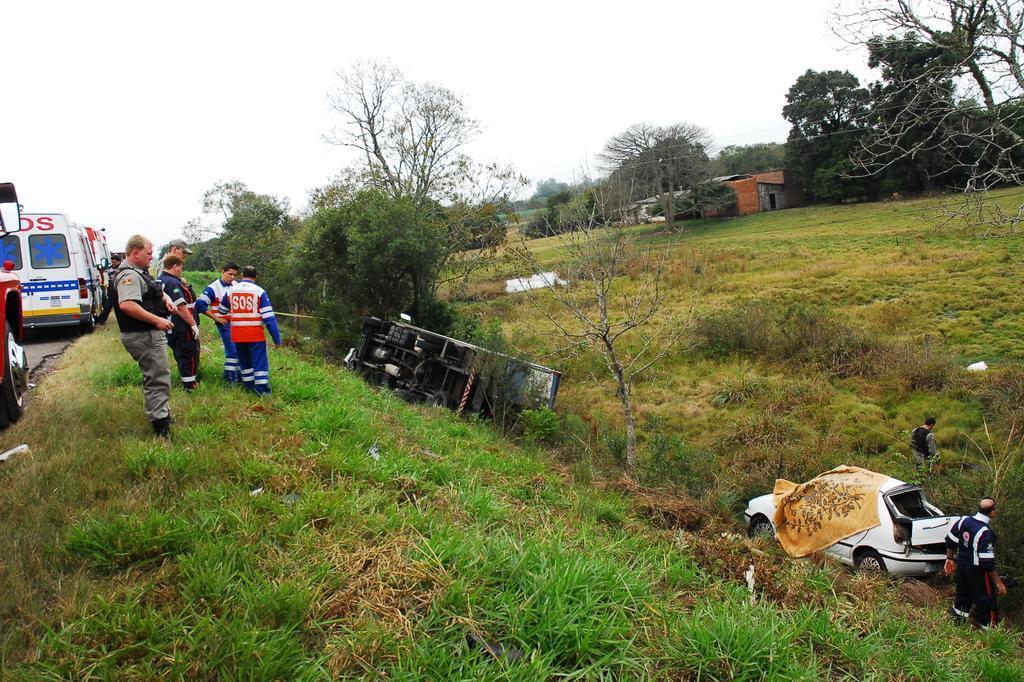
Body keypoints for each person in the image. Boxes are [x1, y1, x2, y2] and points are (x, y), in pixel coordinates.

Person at [113, 235, 174, 437]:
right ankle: (160, 425)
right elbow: (127, 304)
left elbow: (151, 288)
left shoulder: (139, 273)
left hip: (147, 333)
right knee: (157, 377)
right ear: (135, 252)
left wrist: (164, 298)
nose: (151, 257)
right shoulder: (128, 276)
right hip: (143, 334)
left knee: (159, 374)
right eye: (149, 253)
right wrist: (157, 321)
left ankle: (162, 414)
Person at [218, 265, 281, 395]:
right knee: (259, 363)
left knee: (245, 363)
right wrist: (276, 338)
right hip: (255, 335)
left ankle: (248, 388)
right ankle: (262, 392)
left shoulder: (231, 291)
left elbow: (222, 310)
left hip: (237, 334)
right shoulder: (259, 291)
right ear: (255, 277)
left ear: (242, 276)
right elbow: (269, 318)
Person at [946, 497, 1006, 629]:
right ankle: (989, 629)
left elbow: (950, 540)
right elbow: (987, 562)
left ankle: (957, 624)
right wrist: (998, 582)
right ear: (992, 513)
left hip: (961, 566)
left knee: (962, 594)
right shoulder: (986, 533)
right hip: (977, 571)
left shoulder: (963, 520)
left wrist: (949, 558)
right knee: (987, 599)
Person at [157, 255, 201, 390]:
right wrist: (193, 324)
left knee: (180, 355)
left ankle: (188, 381)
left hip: (168, 326)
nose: (181, 270)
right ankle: (190, 386)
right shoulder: (172, 283)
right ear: (175, 266)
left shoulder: (159, 279)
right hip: (181, 326)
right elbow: (181, 307)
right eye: (181, 267)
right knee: (188, 355)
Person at [194, 263, 241, 384]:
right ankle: (230, 380)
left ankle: (240, 378)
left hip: (238, 323)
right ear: (222, 272)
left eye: (234, 275)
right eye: (230, 274)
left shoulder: (236, 285)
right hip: (225, 324)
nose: (232, 277)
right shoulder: (213, 288)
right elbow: (199, 305)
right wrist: (215, 317)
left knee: (241, 350)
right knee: (232, 352)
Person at [96, 253, 122, 324]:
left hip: (122, 288)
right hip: (112, 288)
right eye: (112, 262)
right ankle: (102, 321)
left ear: (119, 262)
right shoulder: (109, 269)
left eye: (114, 262)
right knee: (107, 306)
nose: (113, 264)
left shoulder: (123, 268)